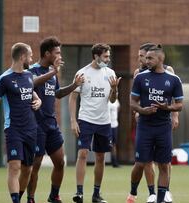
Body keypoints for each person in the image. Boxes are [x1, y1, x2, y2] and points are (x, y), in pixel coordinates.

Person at [26, 36, 85, 203]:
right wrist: (54, 71)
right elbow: (30, 84)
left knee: (60, 162)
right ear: (47, 53)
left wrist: (74, 85)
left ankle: (54, 196)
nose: (60, 55)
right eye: (57, 52)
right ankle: (30, 198)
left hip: (51, 125)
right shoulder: (32, 70)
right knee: (34, 166)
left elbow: (57, 94)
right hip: (36, 125)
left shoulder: (53, 73)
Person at [126, 44, 183, 203]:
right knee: (141, 162)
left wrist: (172, 112)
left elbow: (178, 103)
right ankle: (135, 192)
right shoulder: (140, 75)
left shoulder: (171, 75)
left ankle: (161, 195)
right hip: (144, 125)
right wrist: (141, 111)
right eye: (143, 57)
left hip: (163, 126)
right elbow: (133, 102)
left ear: (159, 58)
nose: (143, 60)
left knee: (164, 163)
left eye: (146, 57)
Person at [0, 42, 42, 203]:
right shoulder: (4, 79)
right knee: (14, 166)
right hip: (13, 129)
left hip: (31, 129)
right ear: (22, 57)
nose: (31, 59)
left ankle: (20, 196)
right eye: (30, 56)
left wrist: (39, 101)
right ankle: (15, 200)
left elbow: (32, 94)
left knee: (27, 169)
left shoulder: (29, 76)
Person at [69, 43, 121, 203]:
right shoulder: (82, 73)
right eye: (105, 56)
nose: (108, 59)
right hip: (85, 120)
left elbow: (112, 100)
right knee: (83, 153)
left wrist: (114, 89)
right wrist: (73, 120)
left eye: (109, 56)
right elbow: (73, 97)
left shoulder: (110, 73)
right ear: (96, 56)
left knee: (100, 157)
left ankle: (96, 194)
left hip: (104, 122)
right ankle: (79, 193)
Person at [109, 98, 120, 168]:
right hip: (107, 124)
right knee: (108, 144)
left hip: (115, 124)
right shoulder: (107, 100)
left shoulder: (116, 100)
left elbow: (118, 107)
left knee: (114, 144)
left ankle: (114, 162)